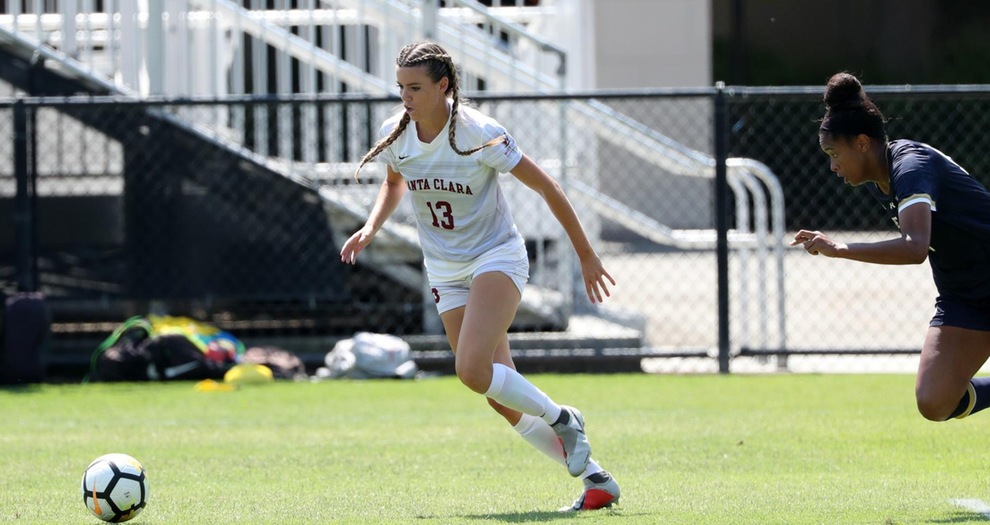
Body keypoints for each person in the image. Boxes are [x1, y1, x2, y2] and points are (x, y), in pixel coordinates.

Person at [339, 41, 620, 512]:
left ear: (443, 86)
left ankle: (563, 417)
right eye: (400, 87)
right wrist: (371, 226)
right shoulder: (397, 133)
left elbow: (547, 186)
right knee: (497, 393)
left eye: (415, 88)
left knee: (471, 370)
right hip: (445, 271)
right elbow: (393, 183)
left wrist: (586, 255)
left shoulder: (480, 132)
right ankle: (597, 479)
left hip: (496, 258)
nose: (405, 97)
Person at [792, 71, 990, 422]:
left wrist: (839, 248)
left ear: (863, 143)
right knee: (935, 401)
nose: (832, 165)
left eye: (834, 153)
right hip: (966, 296)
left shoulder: (911, 166)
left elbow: (915, 248)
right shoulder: (879, 180)